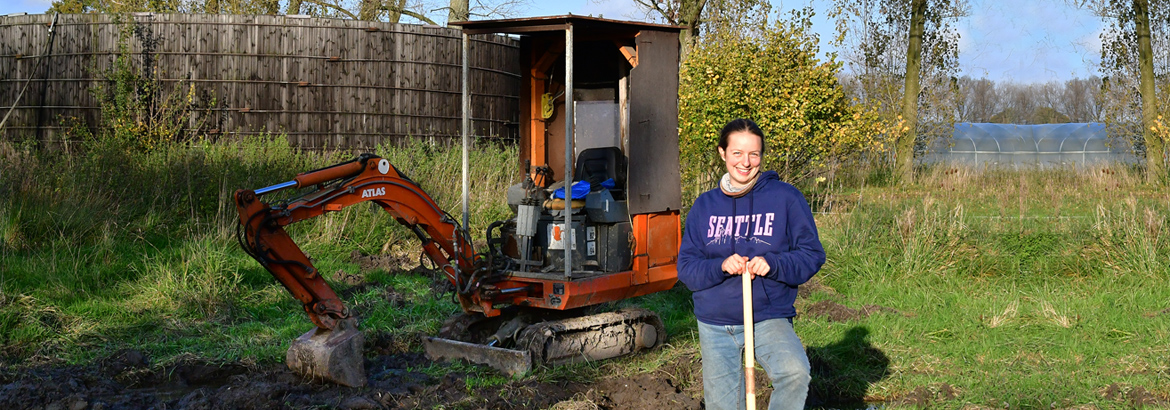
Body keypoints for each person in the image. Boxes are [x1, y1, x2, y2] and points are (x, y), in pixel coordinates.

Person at [677, 118, 826, 410]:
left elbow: (811, 254)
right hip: (716, 322)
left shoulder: (785, 198)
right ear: (723, 153)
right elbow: (687, 268)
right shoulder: (704, 207)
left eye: (754, 154)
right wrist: (720, 266)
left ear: (761, 156)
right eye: (737, 153)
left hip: (767, 315)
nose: (745, 162)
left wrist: (773, 264)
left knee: (795, 373)